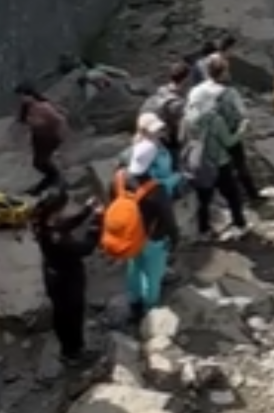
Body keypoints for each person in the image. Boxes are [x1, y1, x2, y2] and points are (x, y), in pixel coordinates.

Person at [30, 189, 102, 367]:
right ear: (56, 211)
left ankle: (68, 348)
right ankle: (74, 352)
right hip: (67, 279)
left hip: (53, 274)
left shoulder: (43, 223)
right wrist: (96, 224)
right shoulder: (57, 238)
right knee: (72, 315)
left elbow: (65, 224)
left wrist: (85, 211)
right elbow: (84, 248)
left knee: (61, 313)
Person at [108, 142, 180, 318]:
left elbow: (112, 202)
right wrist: (175, 238)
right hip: (153, 238)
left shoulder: (118, 178)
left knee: (134, 268)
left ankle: (134, 302)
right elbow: (168, 220)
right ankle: (150, 309)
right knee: (152, 276)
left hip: (129, 236)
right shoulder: (156, 190)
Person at [180, 79, 249, 240]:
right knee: (233, 195)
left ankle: (204, 231)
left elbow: (182, 138)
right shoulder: (214, 120)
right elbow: (228, 141)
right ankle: (240, 225)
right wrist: (242, 130)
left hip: (198, 164)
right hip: (220, 163)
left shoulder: (187, 118)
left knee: (204, 200)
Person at [186, 54, 260, 203]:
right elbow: (243, 113)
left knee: (213, 164)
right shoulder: (229, 93)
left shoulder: (196, 90)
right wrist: (244, 126)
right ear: (223, 73)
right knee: (240, 165)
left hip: (204, 134)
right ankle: (251, 195)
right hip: (229, 132)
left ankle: (215, 197)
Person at [14, 84, 69, 196]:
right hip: (38, 137)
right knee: (38, 162)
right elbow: (22, 121)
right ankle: (51, 180)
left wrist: (61, 134)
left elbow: (59, 119)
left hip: (49, 136)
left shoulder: (43, 107)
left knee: (42, 161)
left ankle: (56, 179)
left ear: (30, 95)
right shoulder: (27, 108)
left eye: (22, 96)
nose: (21, 99)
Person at [142, 62, 192, 162]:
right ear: (185, 79)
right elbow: (182, 132)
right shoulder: (177, 104)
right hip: (168, 142)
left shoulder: (161, 91)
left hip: (152, 136)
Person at [127, 112, 183, 197]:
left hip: (166, 184)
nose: (159, 130)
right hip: (159, 193)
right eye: (155, 129)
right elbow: (153, 183)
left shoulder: (157, 141)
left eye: (159, 128)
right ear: (144, 131)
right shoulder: (146, 151)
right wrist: (177, 177)